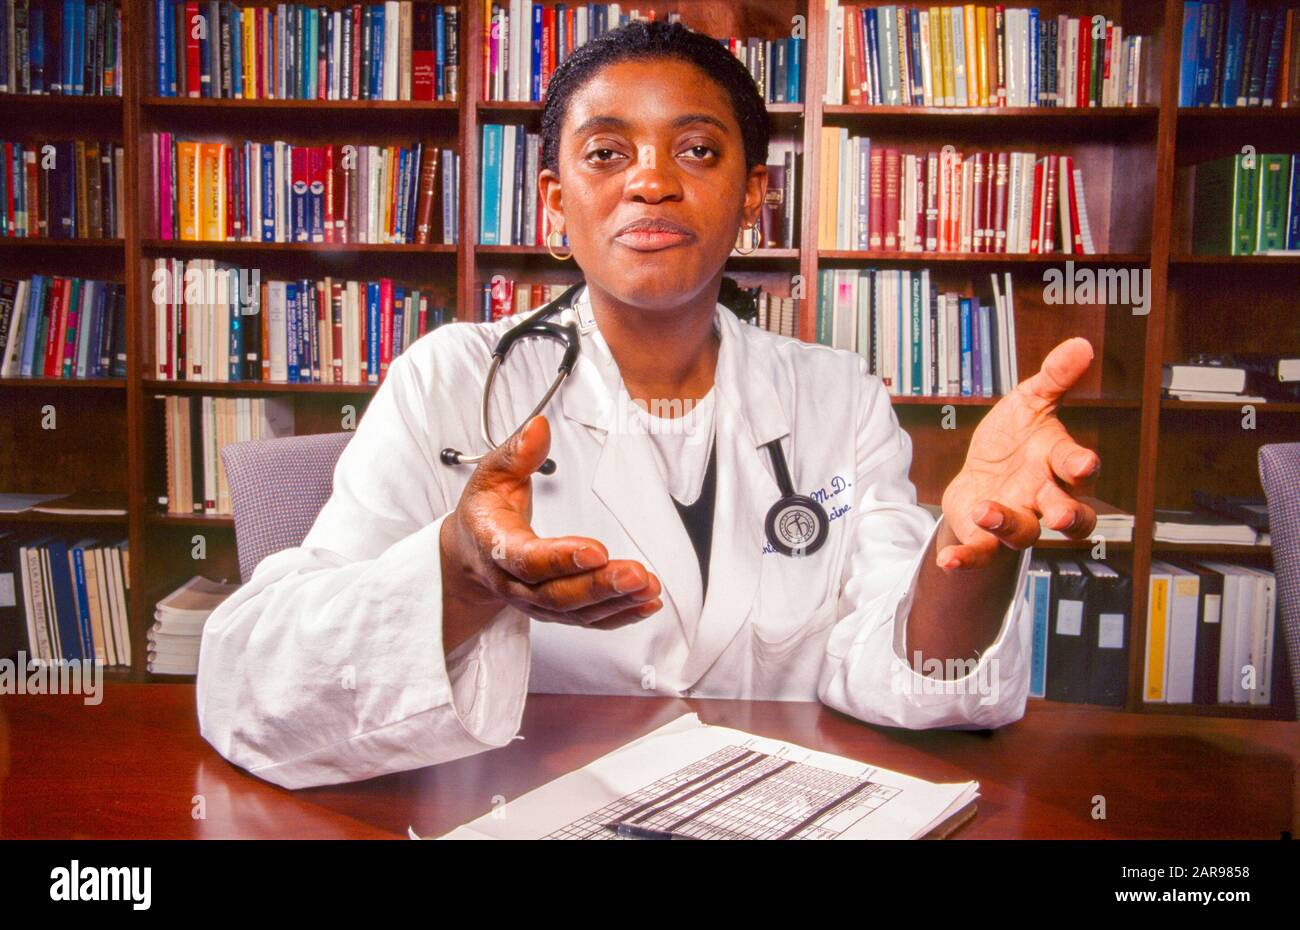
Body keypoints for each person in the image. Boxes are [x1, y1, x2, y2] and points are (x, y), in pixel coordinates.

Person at [196, 20, 1101, 790]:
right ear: (556, 203)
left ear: (753, 194)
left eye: (698, 150)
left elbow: (914, 678)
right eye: (606, 153)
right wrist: (459, 577)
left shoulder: (838, 398)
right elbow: (250, 691)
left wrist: (969, 550)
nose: (651, 182)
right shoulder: (455, 380)